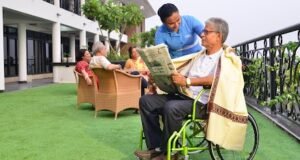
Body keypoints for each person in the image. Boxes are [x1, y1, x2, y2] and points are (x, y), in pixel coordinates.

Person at [135, 17, 234, 160]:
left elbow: (220, 77)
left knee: (172, 107)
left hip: (202, 103)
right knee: (146, 101)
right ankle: (156, 148)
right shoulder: (199, 56)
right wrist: (158, 76)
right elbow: (182, 73)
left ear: (218, 35)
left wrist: (187, 81)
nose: (202, 34)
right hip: (183, 95)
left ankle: (170, 153)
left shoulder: (225, 57)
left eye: (206, 31)